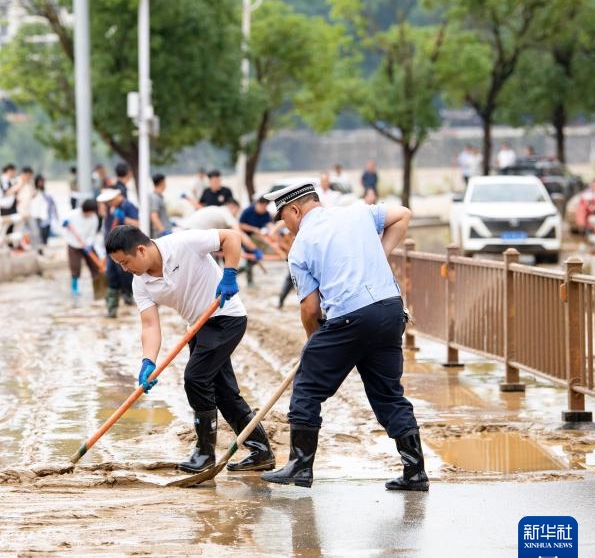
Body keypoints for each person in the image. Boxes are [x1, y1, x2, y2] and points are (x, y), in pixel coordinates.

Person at [258, 182, 427, 492]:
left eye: (284, 219)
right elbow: (403, 215)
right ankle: (415, 472)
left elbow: (310, 309)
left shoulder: (301, 247)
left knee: (307, 386)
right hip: (390, 311)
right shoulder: (358, 214)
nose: (286, 227)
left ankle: (300, 465)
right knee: (389, 394)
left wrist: (314, 342)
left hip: (351, 317)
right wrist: (381, 252)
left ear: (295, 210)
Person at [105, 224, 275, 474]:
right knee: (224, 393)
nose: (124, 269)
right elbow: (150, 325)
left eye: (125, 262)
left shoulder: (183, 243)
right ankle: (261, 451)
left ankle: (204, 452)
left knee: (195, 378)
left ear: (140, 250)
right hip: (198, 327)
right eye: (119, 264)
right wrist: (147, 362)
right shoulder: (140, 283)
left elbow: (231, 237)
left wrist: (230, 273)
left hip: (224, 317)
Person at [97, 187, 140, 318]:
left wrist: (124, 218)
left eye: (110, 201)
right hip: (111, 250)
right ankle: (112, 309)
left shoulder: (128, 206)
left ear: (116, 197)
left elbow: (138, 223)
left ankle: (132, 299)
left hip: (125, 249)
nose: (109, 204)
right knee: (112, 277)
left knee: (126, 275)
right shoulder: (110, 208)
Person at [62, 198, 101, 298]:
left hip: (87, 245)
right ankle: (75, 289)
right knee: (75, 267)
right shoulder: (72, 215)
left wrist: (88, 244)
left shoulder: (94, 218)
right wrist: (64, 224)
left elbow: (92, 234)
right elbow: (63, 225)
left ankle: (99, 288)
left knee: (95, 266)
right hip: (73, 244)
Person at [238, 194, 274, 286]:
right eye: (262, 206)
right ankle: (249, 281)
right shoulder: (248, 211)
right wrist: (254, 229)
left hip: (258, 238)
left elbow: (270, 225)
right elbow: (240, 225)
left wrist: (272, 232)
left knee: (256, 258)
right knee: (251, 258)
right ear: (257, 203)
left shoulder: (266, 213)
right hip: (245, 237)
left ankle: (240, 271)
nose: (263, 209)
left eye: (265, 207)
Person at [30, 174, 58, 255]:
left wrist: (56, 216)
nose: (42, 183)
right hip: (36, 216)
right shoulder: (34, 192)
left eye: (43, 181)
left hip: (46, 218)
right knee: (37, 235)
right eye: (40, 181)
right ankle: (38, 251)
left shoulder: (46, 193)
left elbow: (52, 205)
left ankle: (42, 250)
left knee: (44, 235)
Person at [0, 163, 20, 245]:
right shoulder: (4, 179)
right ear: (9, 171)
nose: (14, 173)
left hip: (11, 205)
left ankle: (10, 244)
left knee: (11, 226)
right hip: (6, 207)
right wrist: (17, 186)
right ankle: (6, 244)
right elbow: (6, 192)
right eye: (13, 171)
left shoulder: (10, 179)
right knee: (6, 226)